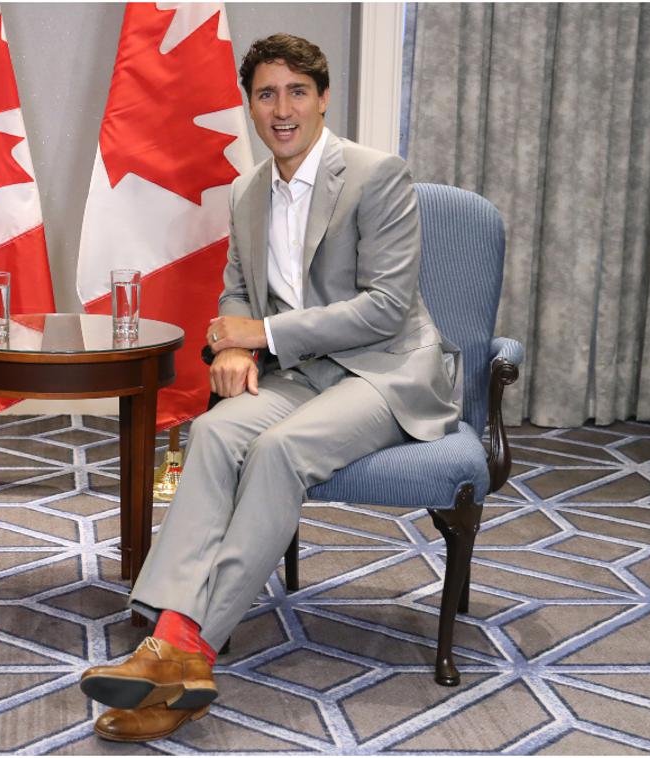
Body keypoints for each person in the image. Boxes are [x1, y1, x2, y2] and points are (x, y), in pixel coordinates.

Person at [79, 33, 462, 742]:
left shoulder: (377, 175)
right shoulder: (247, 192)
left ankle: (183, 644)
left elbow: (384, 306)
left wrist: (256, 338)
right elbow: (235, 292)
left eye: (295, 92)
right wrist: (231, 348)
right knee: (219, 428)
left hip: (385, 370)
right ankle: (174, 650)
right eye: (264, 94)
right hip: (300, 372)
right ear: (249, 105)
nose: (280, 108)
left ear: (322, 99)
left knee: (280, 450)